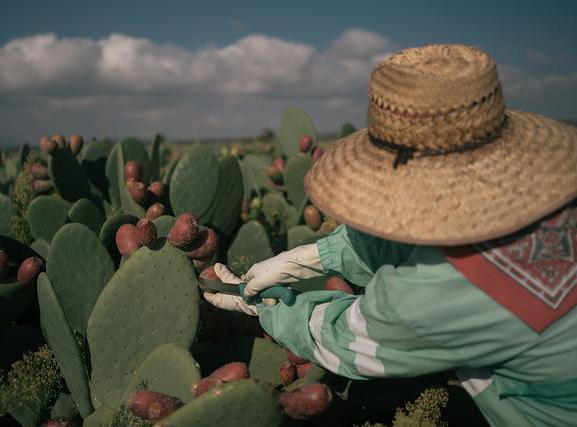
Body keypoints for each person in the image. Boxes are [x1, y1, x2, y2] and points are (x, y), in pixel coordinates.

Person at [203, 44, 577, 427]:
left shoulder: (454, 289)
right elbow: (434, 234)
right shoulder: (561, 202)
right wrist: (316, 257)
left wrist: (272, 311)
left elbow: (349, 339)